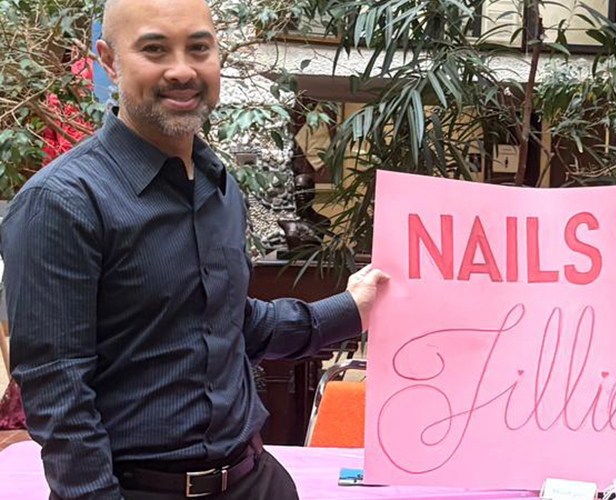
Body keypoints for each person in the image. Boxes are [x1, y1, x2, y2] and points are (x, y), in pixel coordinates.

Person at [0, 0, 388, 498]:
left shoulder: (219, 188)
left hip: (256, 480)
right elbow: (59, 394)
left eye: (198, 47)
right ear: (109, 60)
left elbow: (233, 323)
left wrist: (352, 310)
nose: (182, 70)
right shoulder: (61, 203)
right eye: (155, 49)